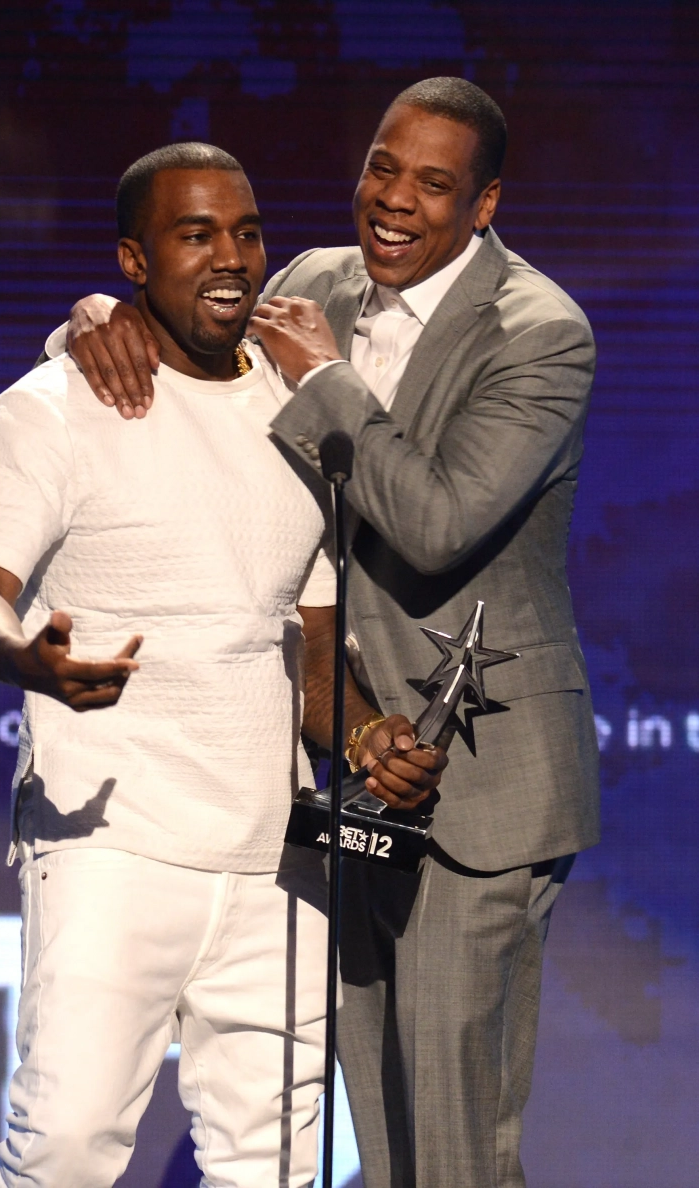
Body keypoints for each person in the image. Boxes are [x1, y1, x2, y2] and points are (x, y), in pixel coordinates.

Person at [55, 79, 600, 1188]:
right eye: (381, 168)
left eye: (433, 185)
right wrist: (96, 319)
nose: (393, 200)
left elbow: (438, 524)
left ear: (485, 203)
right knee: (376, 1131)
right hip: (338, 759)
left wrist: (325, 378)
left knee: (450, 1143)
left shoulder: (541, 334)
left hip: (476, 776)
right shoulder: (315, 282)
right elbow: (188, 337)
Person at [0, 142, 446, 1188]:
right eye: (195, 234)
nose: (230, 256)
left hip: (275, 858)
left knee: (273, 1163)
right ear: (134, 261)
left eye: (246, 232)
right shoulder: (49, 408)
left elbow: (308, 640)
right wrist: (22, 656)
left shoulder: (299, 412)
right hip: (109, 841)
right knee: (65, 1147)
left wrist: (365, 737)